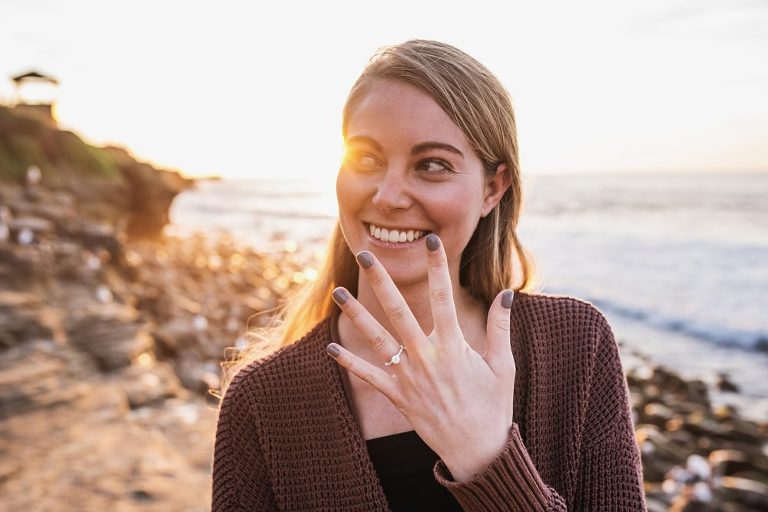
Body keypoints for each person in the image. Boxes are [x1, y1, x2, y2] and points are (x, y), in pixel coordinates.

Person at [212, 40, 646, 511]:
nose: (389, 195)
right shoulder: (262, 401)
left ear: (492, 189)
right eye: (367, 159)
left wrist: (484, 457)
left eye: (432, 165)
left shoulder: (575, 346)